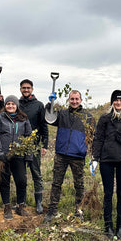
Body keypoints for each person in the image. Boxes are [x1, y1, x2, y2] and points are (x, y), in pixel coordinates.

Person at [91, 90, 121, 239]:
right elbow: (98, 138)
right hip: (107, 160)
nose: (118, 103)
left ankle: (120, 228)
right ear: (112, 102)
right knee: (108, 193)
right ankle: (108, 226)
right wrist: (95, 159)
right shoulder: (105, 119)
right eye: (116, 101)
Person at [43, 90, 94, 223]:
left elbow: (93, 138)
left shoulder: (88, 117)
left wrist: (93, 157)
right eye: (72, 99)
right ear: (68, 100)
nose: (74, 101)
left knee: (79, 184)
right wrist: (50, 103)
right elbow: (49, 118)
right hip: (61, 154)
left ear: (81, 100)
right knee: (56, 183)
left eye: (77, 99)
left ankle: (79, 210)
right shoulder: (62, 114)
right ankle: (52, 210)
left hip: (78, 156)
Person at [0, 95, 33, 219]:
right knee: (4, 181)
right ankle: (7, 207)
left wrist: (28, 155)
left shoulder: (24, 119)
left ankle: (20, 206)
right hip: (3, 155)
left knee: (21, 181)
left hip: (18, 155)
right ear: (5, 105)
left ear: (17, 106)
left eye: (13, 104)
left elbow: (28, 137)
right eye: (8, 104)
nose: (10, 106)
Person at [18, 79, 49, 214]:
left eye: (28, 88)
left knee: (36, 173)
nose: (26, 90)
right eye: (24, 88)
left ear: (32, 89)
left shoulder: (38, 105)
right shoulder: (16, 104)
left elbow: (44, 126)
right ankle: (21, 202)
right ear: (20, 89)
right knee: (21, 174)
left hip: (34, 145)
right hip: (19, 146)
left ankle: (39, 203)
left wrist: (44, 145)